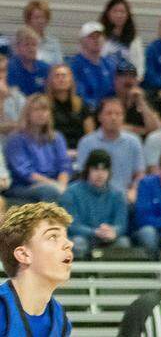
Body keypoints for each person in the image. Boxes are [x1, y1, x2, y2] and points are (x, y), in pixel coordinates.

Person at [0, 202, 74, 336]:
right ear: (24, 255)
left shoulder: (60, 319)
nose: (69, 243)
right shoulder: (2, 310)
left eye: (66, 237)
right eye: (53, 237)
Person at [59, 150, 130, 260]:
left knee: (123, 243)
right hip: (81, 237)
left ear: (109, 172)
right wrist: (95, 232)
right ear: (88, 170)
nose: (100, 174)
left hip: (107, 239)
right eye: (95, 169)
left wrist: (114, 231)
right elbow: (71, 225)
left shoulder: (117, 195)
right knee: (78, 243)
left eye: (104, 170)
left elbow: (121, 224)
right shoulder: (71, 192)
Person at [75, 97, 145, 198]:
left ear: (123, 117)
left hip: (125, 195)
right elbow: (82, 175)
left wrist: (134, 190)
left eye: (118, 114)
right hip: (94, 195)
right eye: (109, 113)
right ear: (99, 117)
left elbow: (139, 174)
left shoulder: (133, 141)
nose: (113, 118)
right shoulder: (86, 143)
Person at [5, 96, 70, 202]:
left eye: (44, 110)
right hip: (24, 186)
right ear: (27, 114)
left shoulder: (57, 137)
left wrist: (62, 185)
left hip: (55, 183)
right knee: (49, 191)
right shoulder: (16, 139)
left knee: (78, 188)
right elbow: (25, 172)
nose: (41, 114)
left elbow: (64, 165)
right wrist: (54, 185)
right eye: (36, 110)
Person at [68, 22, 116, 108]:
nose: (96, 40)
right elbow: (79, 94)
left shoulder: (109, 64)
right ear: (82, 41)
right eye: (91, 37)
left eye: (99, 36)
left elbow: (114, 91)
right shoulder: (74, 65)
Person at [7, 29, 50, 97]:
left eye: (34, 45)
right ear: (17, 48)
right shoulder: (9, 68)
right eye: (27, 45)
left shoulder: (45, 68)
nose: (31, 48)